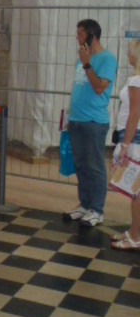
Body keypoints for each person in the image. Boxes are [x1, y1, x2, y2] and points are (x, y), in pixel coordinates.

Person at [65, 18, 117, 227]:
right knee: (81, 165)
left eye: (80, 35)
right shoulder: (81, 57)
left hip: (94, 122)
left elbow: (98, 87)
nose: (77, 38)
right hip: (77, 119)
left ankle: (97, 209)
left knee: (95, 166)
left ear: (91, 36)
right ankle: (85, 204)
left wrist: (87, 63)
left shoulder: (107, 59)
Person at [110, 39, 140, 250]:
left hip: (135, 139)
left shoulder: (136, 80)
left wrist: (124, 144)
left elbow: (134, 114)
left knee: (135, 192)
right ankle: (134, 231)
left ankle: (135, 236)